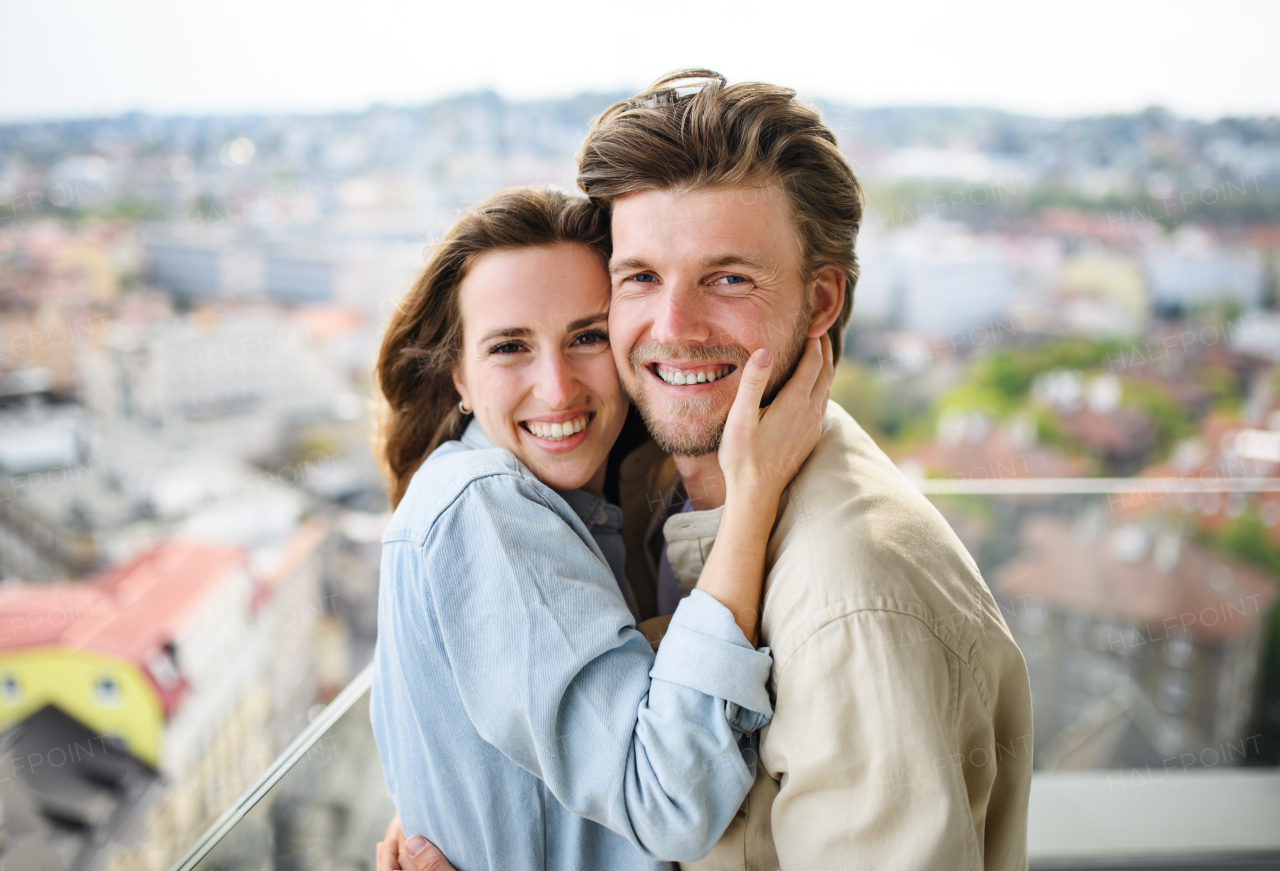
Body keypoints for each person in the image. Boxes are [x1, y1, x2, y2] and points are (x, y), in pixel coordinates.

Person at [381, 70, 1034, 871]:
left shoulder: (854, 608)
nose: (674, 328)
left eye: (727, 278)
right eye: (642, 278)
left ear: (821, 301)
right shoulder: (645, 484)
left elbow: (664, 793)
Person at [370, 185, 834, 871]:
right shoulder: (486, 505)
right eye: (509, 347)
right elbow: (672, 799)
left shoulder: (591, 499)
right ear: (459, 376)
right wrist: (752, 495)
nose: (557, 388)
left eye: (586, 336)